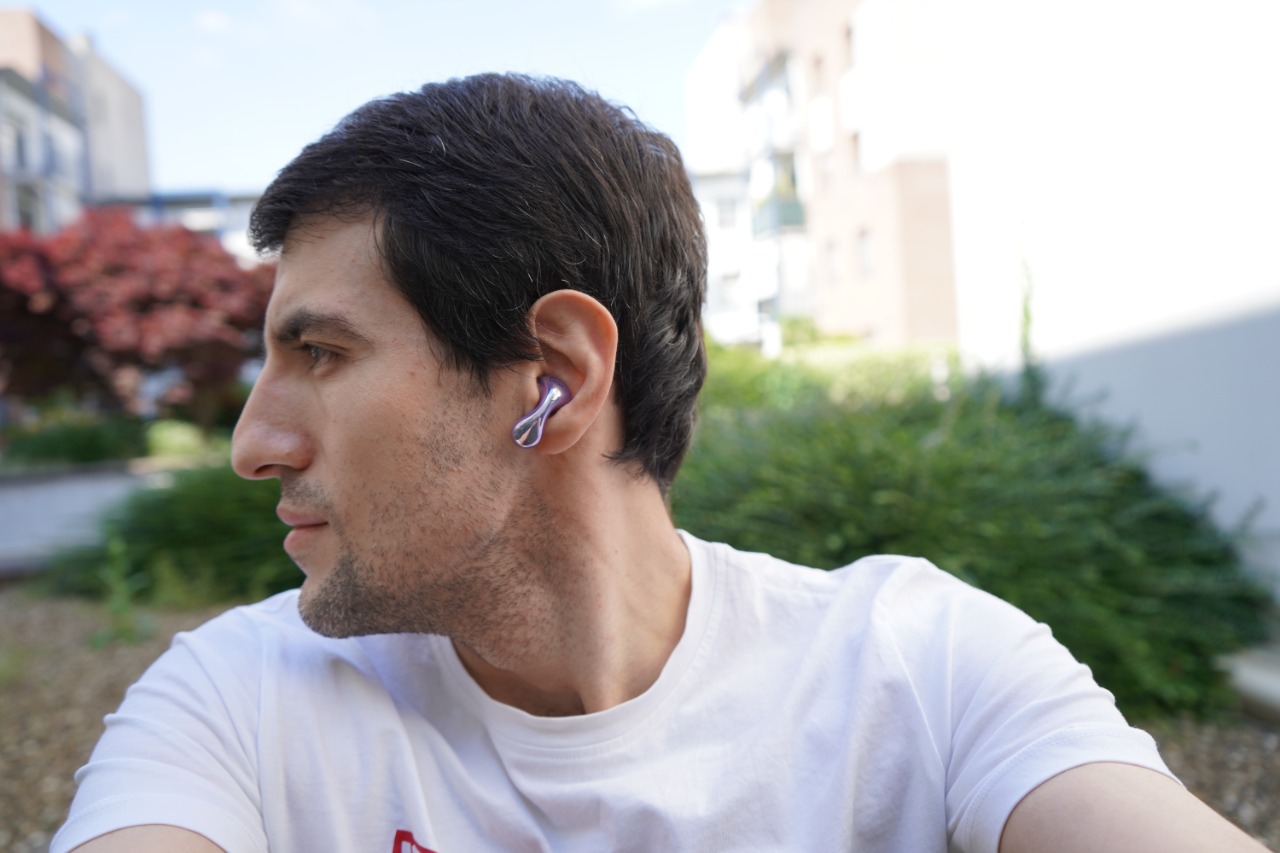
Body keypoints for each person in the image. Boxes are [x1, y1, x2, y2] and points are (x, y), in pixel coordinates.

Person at [53, 73, 1264, 853]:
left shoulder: (920, 672)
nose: (251, 444)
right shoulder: (235, 706)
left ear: (554, 377)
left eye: (319, 352)